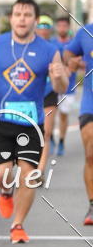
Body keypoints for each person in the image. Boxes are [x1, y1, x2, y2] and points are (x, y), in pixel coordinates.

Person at [0, 0, 67, 243]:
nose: (22, 19)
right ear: (11, 18)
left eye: (27, 15)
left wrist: (58, 77)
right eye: (17, 14)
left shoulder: (49, 50)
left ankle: (18, 225)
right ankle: (6, 190)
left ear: (35, 20)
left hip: (31, 123)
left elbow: (61, 87)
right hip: (0, 121)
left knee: (29, 176)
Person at [63, 24, 93, 225]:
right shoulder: (86, 32)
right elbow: (68, 53)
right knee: (91, 154)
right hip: (90, 104)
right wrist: (72, 62)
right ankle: (92, 205)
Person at [51, 14, 78, 155]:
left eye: (64, 26)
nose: (62, 28)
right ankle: (50, 138)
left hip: (69, 88)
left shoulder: (74, 44)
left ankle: (61, 140)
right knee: (50, 115)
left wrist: (71, 68)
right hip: (52, 87)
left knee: (63, 115)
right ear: (56, 27)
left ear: (68, 27)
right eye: (60, 26)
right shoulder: (51, 43)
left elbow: (79, 62)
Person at [36, 13, 59, 175]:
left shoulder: (54, 49)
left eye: (46, 26)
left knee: (46, 132)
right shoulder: (27, 46)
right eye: (40, 26)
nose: (43, 29)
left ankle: (40, 170)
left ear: (50, 29)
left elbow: (64, 69)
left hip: (49, 93)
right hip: (30, 95)